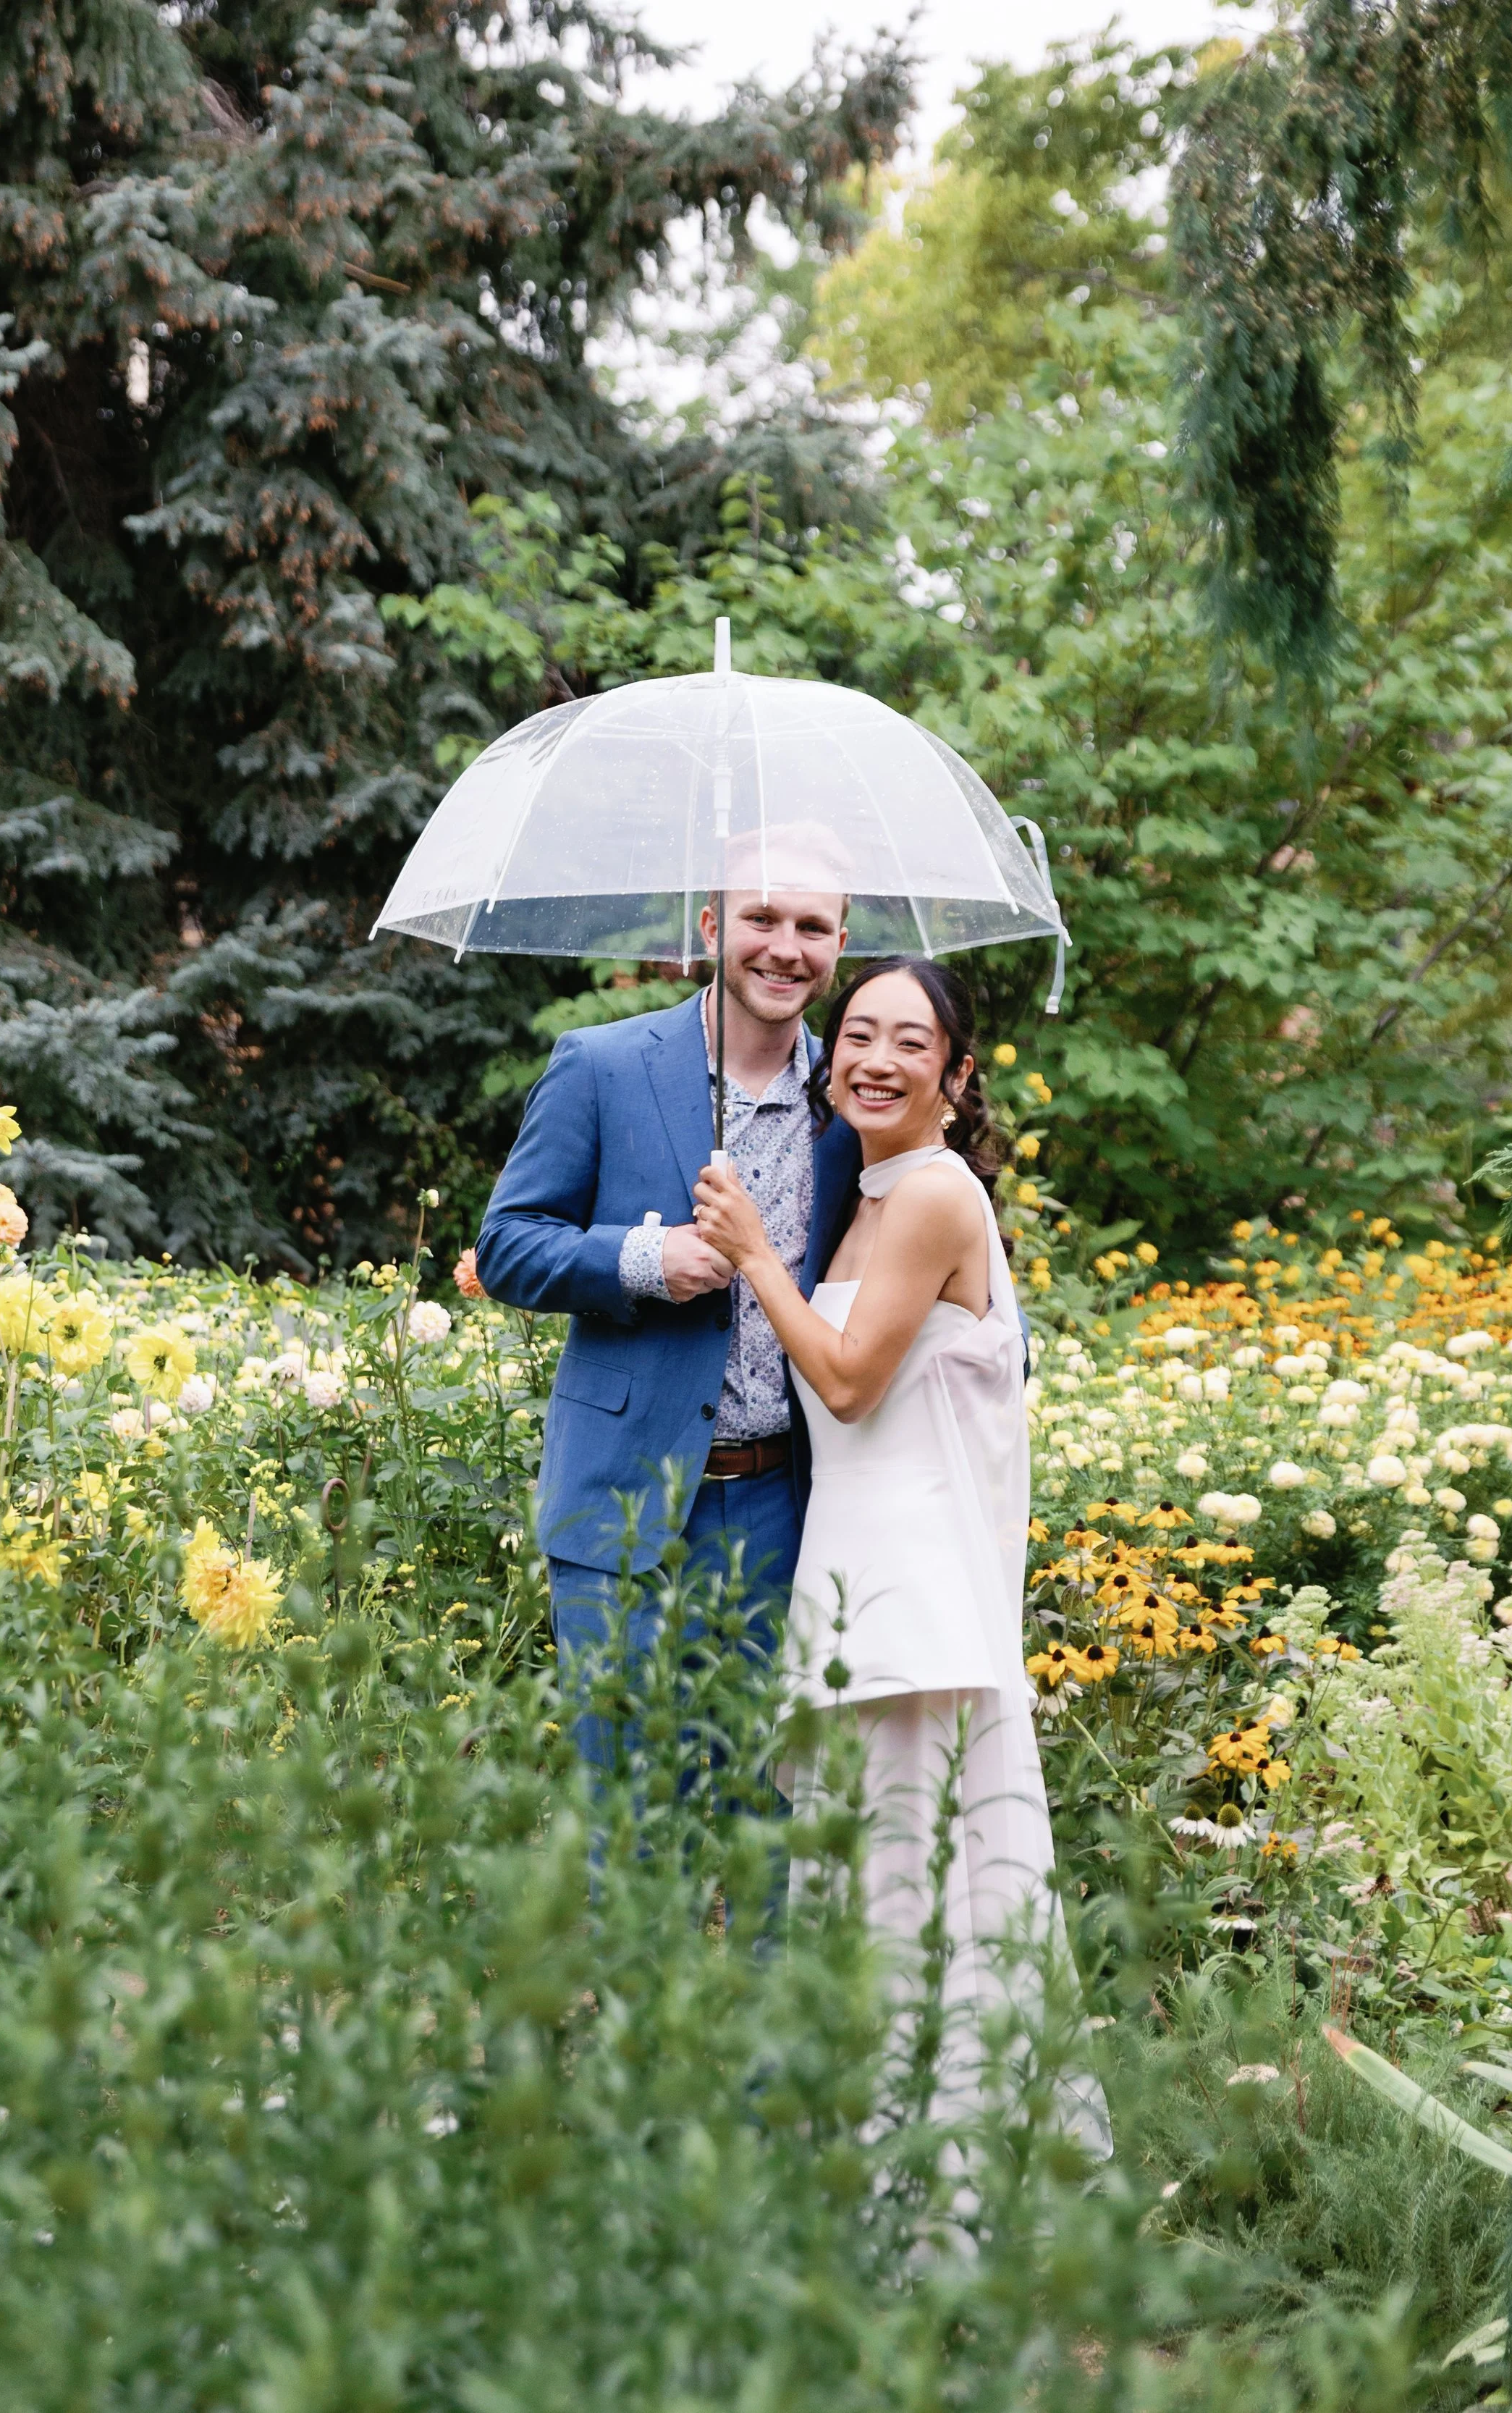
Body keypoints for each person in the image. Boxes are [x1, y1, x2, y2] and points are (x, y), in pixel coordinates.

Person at [693, 957, 1109, 2145]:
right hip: (852, 1564)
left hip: (914, 1583)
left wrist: (752, 1249)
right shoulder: (869, 1188)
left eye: (912, 1042)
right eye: (858, 1032)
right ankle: (871, 2149)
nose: (877, 1057)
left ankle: (943, 2179)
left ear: (958, 1074)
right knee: (876, 1884)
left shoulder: (930, 1196)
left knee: (928, 1889)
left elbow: (850, 1379)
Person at [475, 851, 863, 1769]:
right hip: (623, 1499)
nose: (785, 949)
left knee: (770, 1822)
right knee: (633, 1819)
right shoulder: (602, 1066)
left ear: (840, 945)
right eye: (762, 919)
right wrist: (646, 1260)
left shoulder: (848, 1105)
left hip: (790, 1505)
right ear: (711, 928)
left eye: (812, 928)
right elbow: (506, 1245)